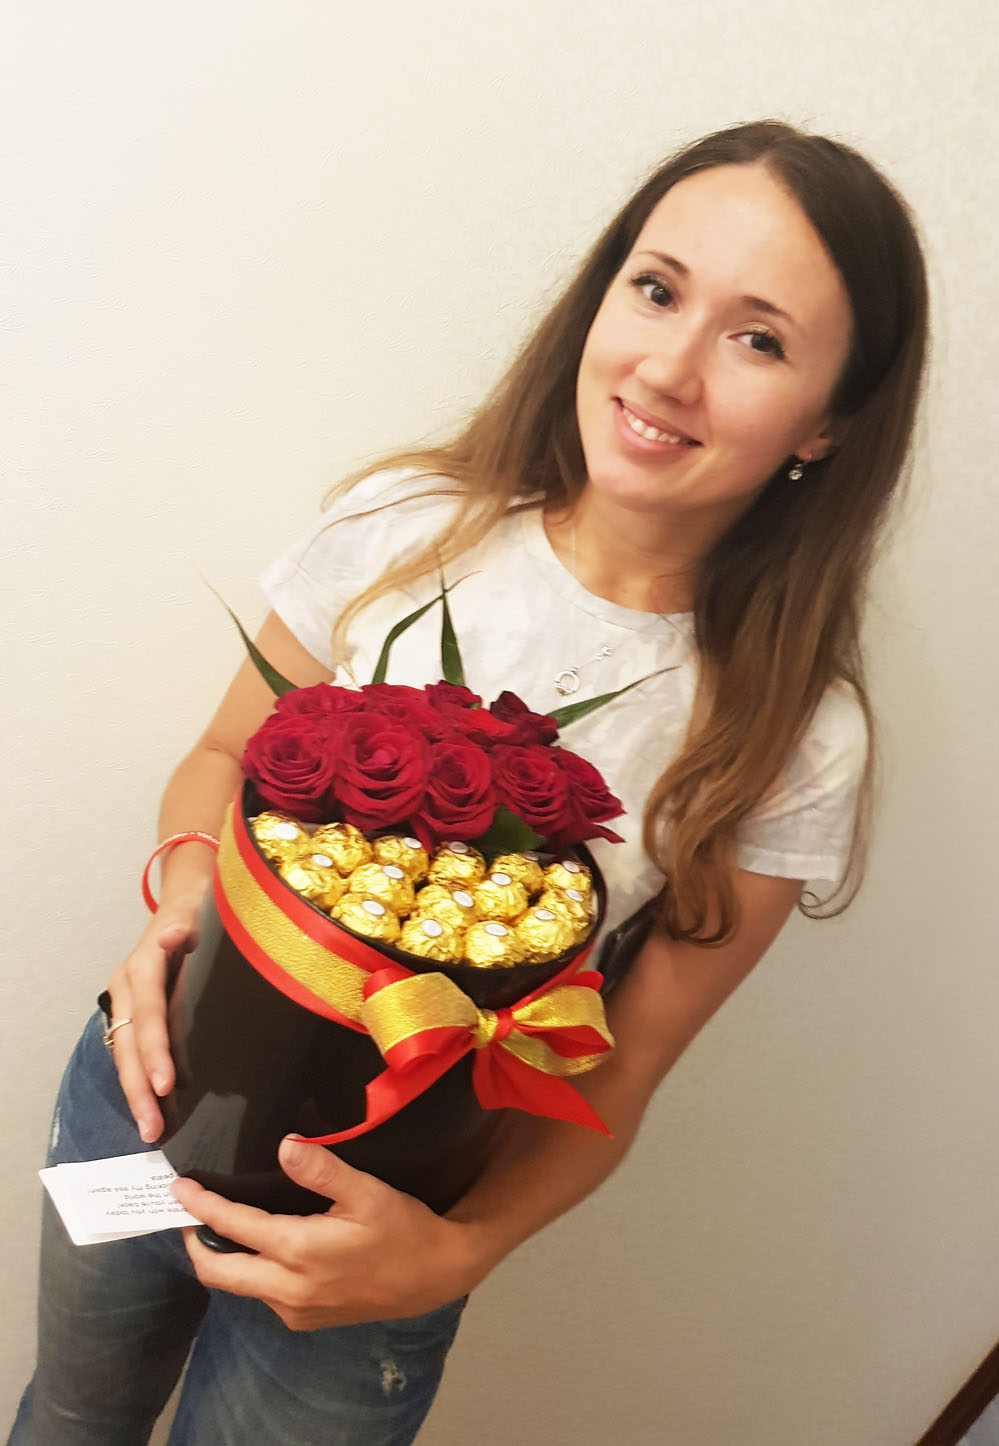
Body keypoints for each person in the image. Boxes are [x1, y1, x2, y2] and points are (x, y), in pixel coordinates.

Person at [10, 118, 928, 1445]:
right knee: (68, 1419)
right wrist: (184, 904)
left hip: (381, 1231)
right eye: (656, 289)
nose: (668, 368)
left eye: (758, 339)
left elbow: (626, 1062)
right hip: (149, 1095)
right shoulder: (405, 521)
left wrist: (452, 1256)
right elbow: (219, 760)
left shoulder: (789, 733)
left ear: (831, 422)